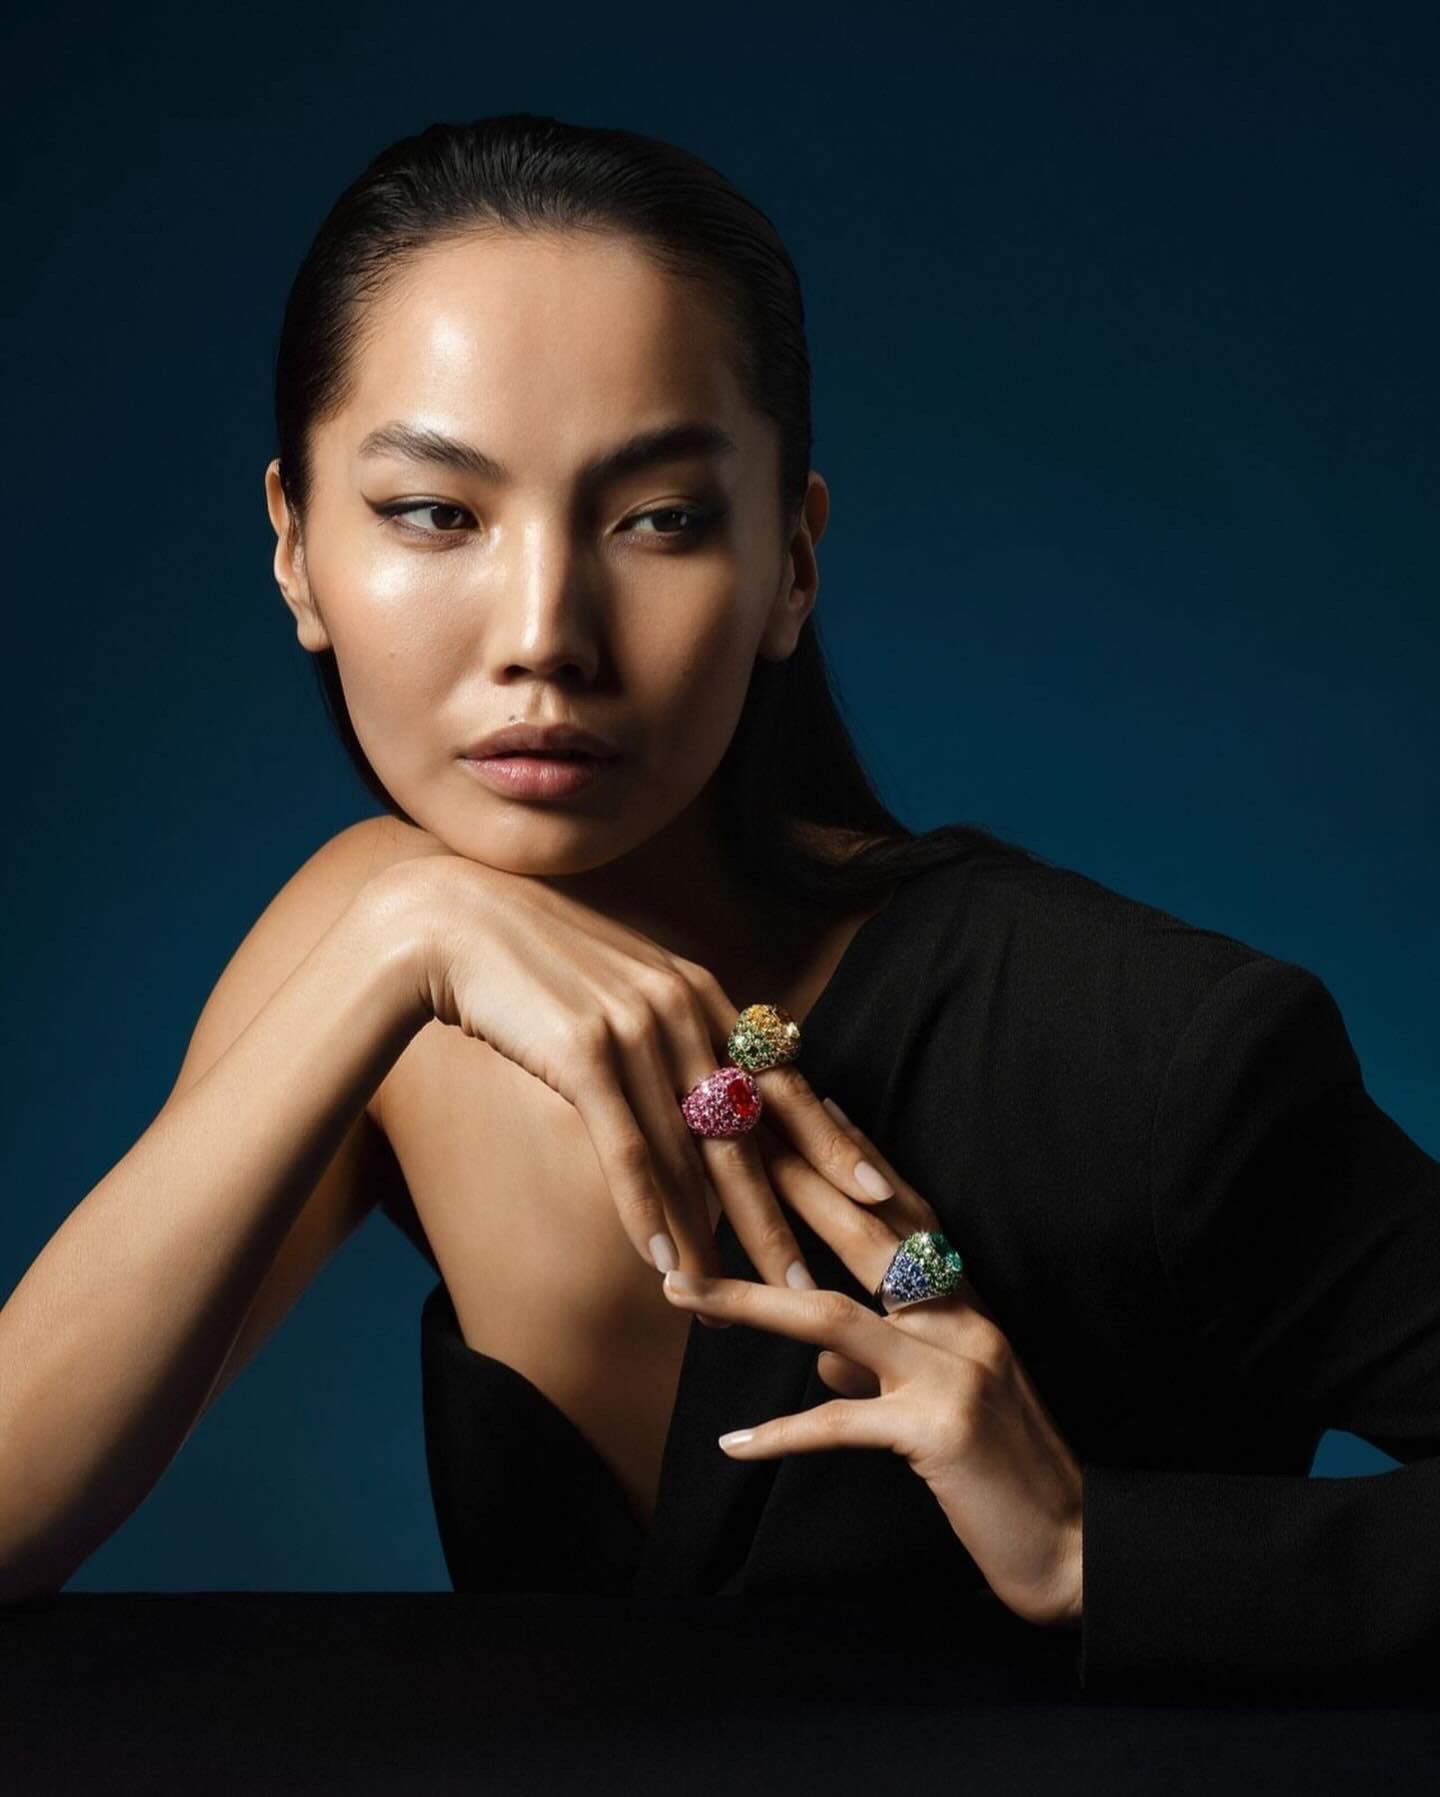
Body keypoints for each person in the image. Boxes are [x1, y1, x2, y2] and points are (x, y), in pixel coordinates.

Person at [1, 114, 1435, 1706]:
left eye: (660, 518)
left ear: (792, 567)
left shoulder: (1146, 1052)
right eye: (434, 513)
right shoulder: (369, 952)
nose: (544, 631)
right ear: (295, 550)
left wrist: (1101, 1548)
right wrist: (401, 939)